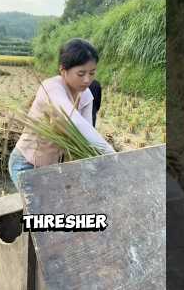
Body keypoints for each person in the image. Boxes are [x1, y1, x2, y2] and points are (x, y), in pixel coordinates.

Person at [8, 38, 115, 186]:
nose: (87, 80)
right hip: (26, 164)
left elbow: (87, 133)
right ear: (63, 70)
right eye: (81, 73)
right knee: (38, 208)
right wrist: (110, 153)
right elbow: (74, 121)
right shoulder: (52, 88)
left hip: (52, 168)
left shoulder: (86, 95)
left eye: (92, 73)